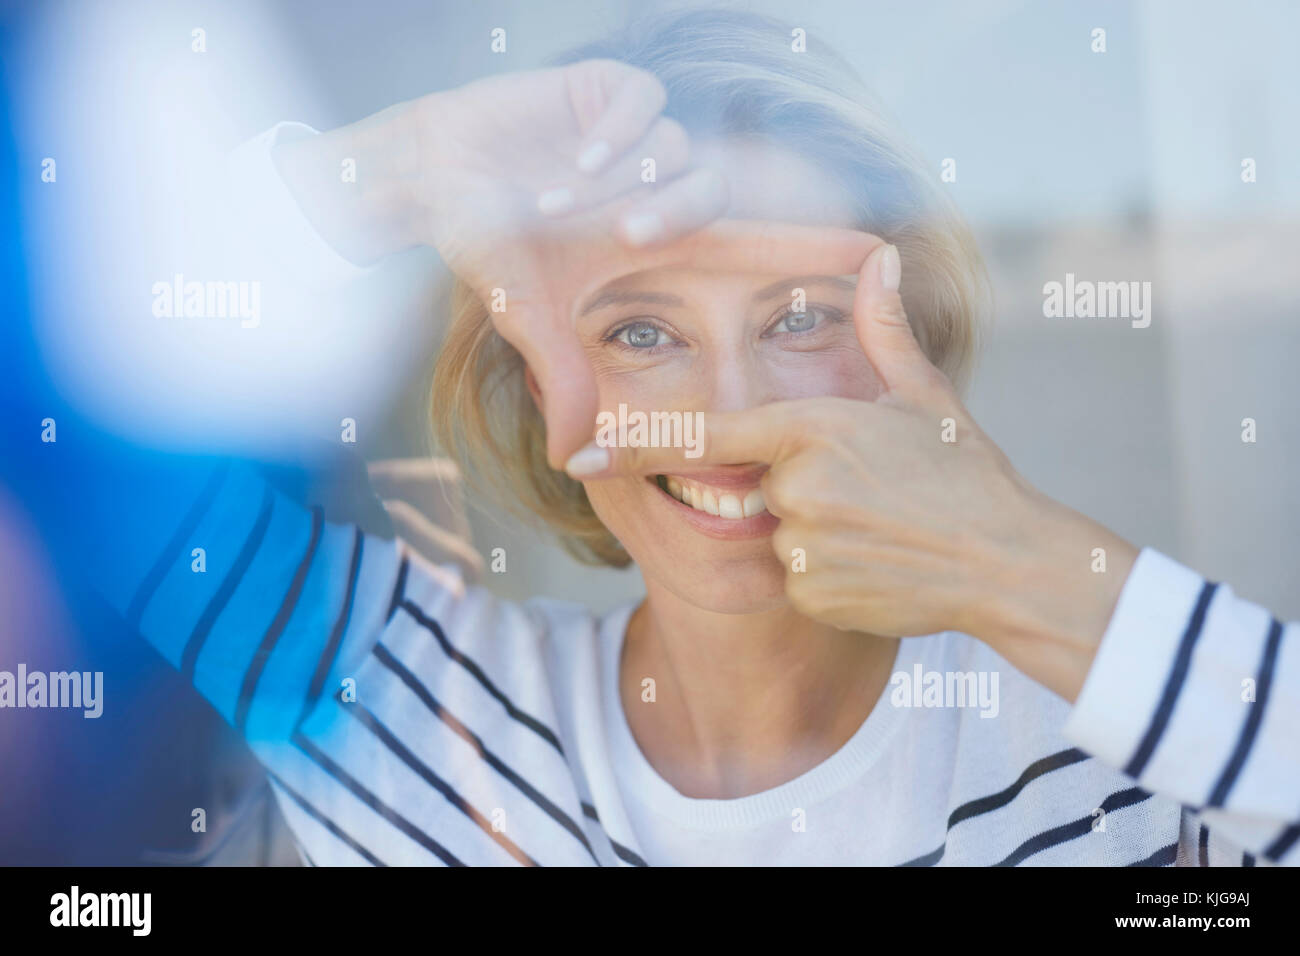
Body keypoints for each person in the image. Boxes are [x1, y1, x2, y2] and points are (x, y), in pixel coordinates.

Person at [87, 9, 1296, 866]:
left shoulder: (1127, 753)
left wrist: (1008, 552)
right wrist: (393, 174)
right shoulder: (396, 695)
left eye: (804, 317)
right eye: (641, 331)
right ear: (536, 375)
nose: (727, 413)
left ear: (910, 345)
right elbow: (64, 426)